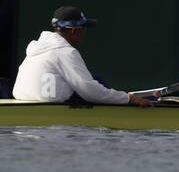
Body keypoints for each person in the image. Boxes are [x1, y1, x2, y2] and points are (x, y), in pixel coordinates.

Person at [11, 7, 151, 106]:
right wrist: (128, 99)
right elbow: (89, 90)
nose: (85, 33)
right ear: (73, 30)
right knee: (97, 82)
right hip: (53, 111)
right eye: (84, 28)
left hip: (23, 101)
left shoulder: (37, 48)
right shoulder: (65, 52)